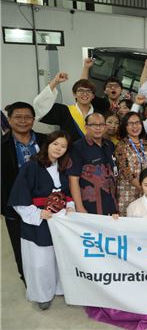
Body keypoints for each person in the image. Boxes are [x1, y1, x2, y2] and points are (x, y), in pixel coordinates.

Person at [86, 167, 147, 329]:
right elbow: (128, 234)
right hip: (140, 255)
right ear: (141, 185)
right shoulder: (133, 206)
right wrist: (116, 221)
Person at [8, 130, 73, 310]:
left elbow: (68, 193)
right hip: (39, 219)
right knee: (40, 260)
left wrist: (71, 206)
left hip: (60, 220)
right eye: (55, 144)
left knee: (60, 256)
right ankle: (42, 294)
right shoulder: (31, 167)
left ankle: (61, 288)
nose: (58, 149)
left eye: (63, 146)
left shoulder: (63, 167)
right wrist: (37, 213)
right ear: (48, 144)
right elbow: (19, 196)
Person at [1, 102, 46, 284]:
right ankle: (28, 280)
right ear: (9, 120)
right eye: (18, 117)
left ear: (34, 120)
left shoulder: (46, 141)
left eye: (28, 117)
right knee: (21, 246)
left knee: (46, 243)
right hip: (15, 205)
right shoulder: (3, 146)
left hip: (46, 203)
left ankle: (50, 279)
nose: (23, 121)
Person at [68, 113, 117, 216]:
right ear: (86, 127)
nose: (98, 128)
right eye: (94, 125)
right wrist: (80, 207)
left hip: (111, 204)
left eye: (101, 125)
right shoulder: (78, 147)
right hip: (89, 206)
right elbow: (73, 179)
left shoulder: (109, 145)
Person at [33, 72, 98, 142]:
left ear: (93, 96)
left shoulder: (99, 114)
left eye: (88, 91)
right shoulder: (64, 111)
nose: (85, 94)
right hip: (70, 152)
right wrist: (55, 81)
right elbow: (40, 104)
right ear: (74, 94)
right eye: (81, 90)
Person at [114, 112, 147, 216]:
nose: (135, 126)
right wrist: (141, 187)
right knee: (127, 217)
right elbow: (125, 170)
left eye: (137, 123)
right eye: (130, 123)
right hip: (127, 190)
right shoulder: (121, 145)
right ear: (125, 126)